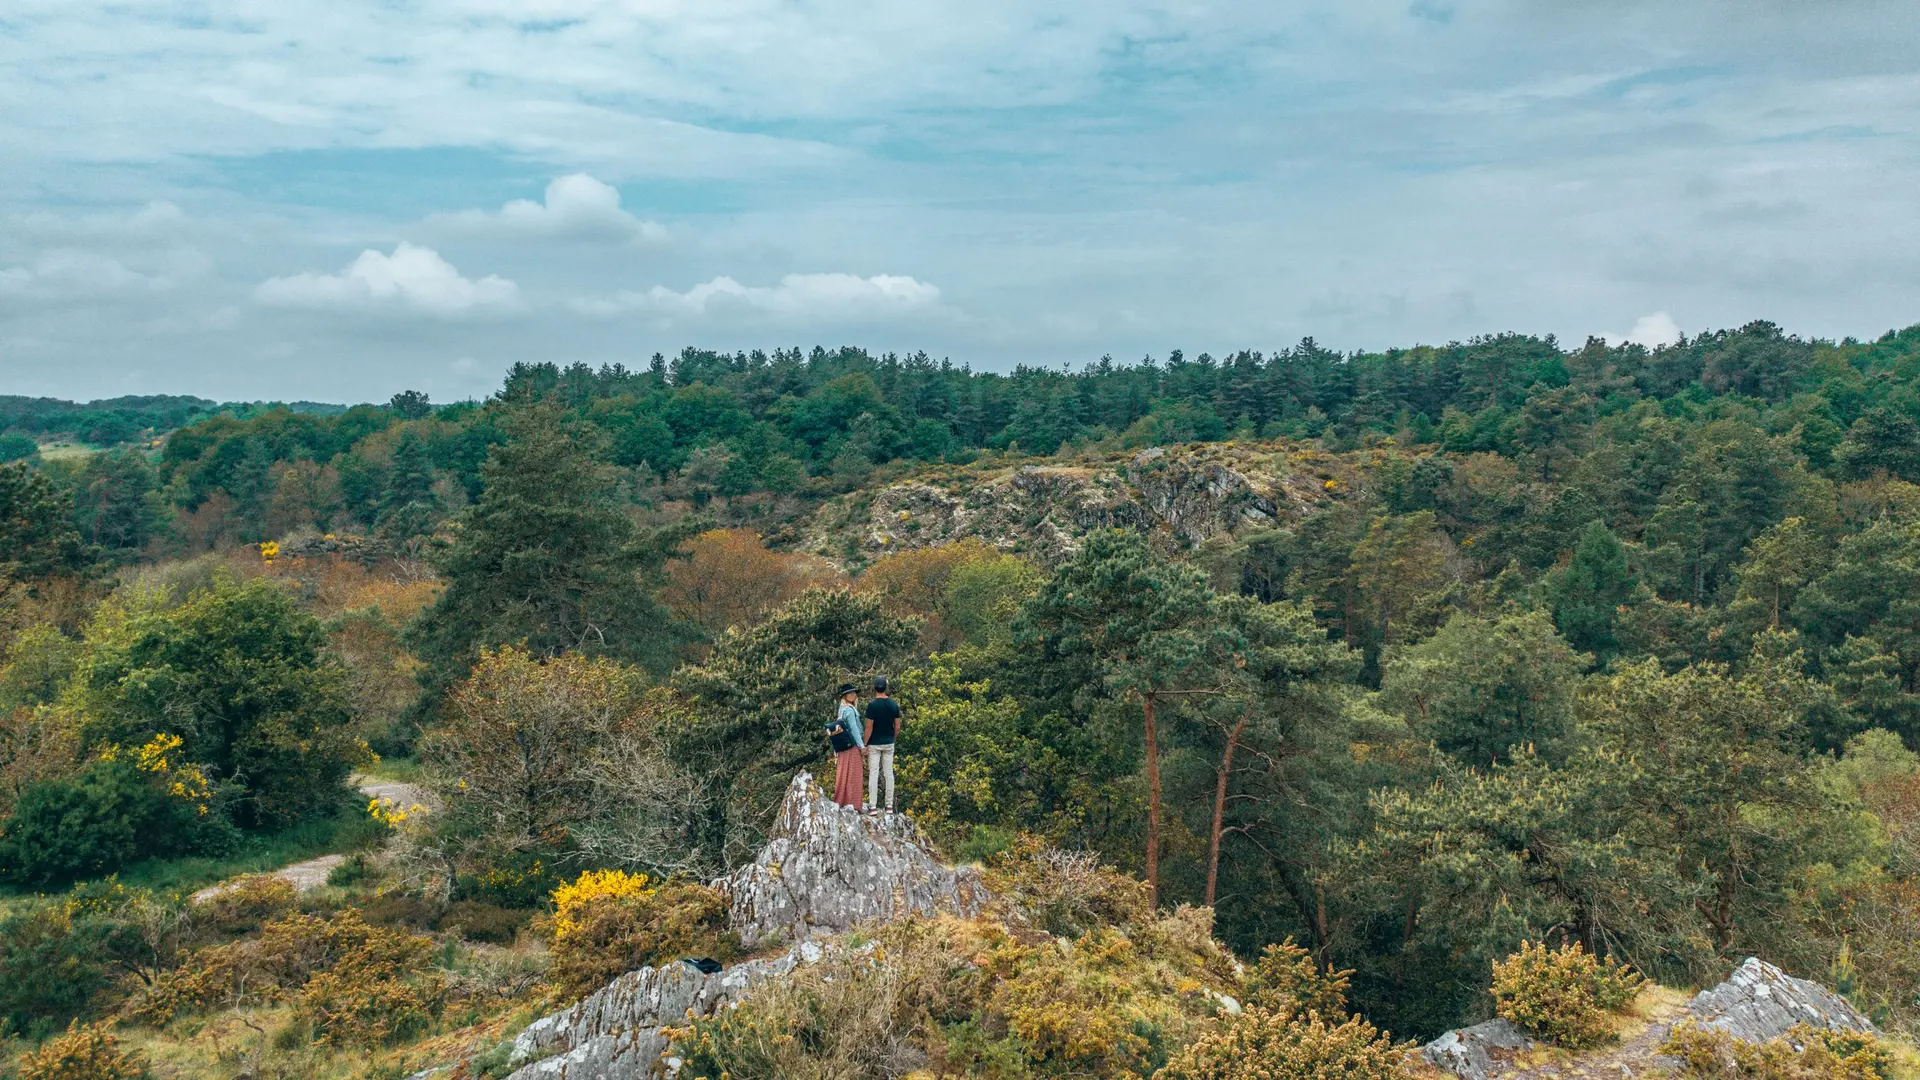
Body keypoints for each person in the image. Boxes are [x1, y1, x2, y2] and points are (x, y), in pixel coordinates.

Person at [863, 676, 902, 814]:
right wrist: (893, 739)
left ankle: (872, 806)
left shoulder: (872, 705)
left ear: (874, 687)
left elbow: (869, 726)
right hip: (888, 743)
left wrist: (864, 744)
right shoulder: (893, 704)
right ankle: (889, 806)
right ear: (886, 687)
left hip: (874, 743)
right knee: (888, 773)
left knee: (873, 774)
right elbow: (897, 727)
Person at [826, 683, 865, 809]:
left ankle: (842, 801)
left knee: (844, 772)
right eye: (849, 693)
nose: (852, 695)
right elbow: (854, 729)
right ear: (844, 696)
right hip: (852, 746)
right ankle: (853, 803)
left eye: (853, 693)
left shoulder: (842, 709)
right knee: (854, 773)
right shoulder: (849, 710)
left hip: (843, 747)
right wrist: (862, 746)